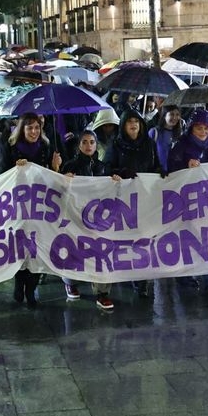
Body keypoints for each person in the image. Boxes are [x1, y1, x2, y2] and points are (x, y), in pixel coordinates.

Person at [4, 113, 62, 308]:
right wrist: (15, 168)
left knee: (37, 247)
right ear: (22, 129)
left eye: (37, 128)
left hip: (41, 205)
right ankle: (19, 282)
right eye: (30, 128)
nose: (34, 132)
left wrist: (55, 167)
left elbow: (52, 177)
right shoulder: (11, 148)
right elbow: (3, 176)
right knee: (21, 246)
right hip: (19, 206)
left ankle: (31, 289)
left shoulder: (46, 147)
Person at [60, 130, 120, 310]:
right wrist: (64, 180)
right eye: (84, 142)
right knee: (74, 249)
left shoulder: (103, 167)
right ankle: (70, 281)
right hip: (75, 217)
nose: (88, 146)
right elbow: (60, 193)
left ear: (96, 145)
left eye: (92, 142)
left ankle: (102, 292)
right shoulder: (70, 166)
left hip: (97, 219)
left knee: (101, 251)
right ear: (79, 145)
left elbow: (111, 192)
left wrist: (115, 181)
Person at [104, 108, 159, 296]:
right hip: (124, 201)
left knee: (144, 238)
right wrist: (122, 172)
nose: (134, 124)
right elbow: (107, 170)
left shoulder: (149, 144)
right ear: (123, 125)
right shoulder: (116, 145)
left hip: (144, 199)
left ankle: (141, 279)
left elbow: (156, 165)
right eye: (129, 121)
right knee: (127, 239)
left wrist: (161, 174)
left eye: (136, 121)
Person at [167, 109, 208, 293]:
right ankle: (185, 275)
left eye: (206, 128)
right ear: (191, 128)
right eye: (199, 127)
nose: (203, 131)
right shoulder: (180, 146)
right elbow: (170, 169)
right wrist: (185, 166)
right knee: (187, 237)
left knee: (207, 236)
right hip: (186, 199)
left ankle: (207, 276)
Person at [149, 106, 184, 176]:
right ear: (164, 115)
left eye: (177, 115)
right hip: (157, 174)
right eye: (171, 114)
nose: (175, 118)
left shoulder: (180, 134)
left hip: (175, 174)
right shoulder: (154, 132)